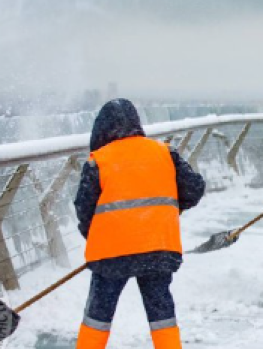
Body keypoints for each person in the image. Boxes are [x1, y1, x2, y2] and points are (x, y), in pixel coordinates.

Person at [75, 99, 205, 349]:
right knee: (162, 313)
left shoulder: (98, 161)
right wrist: (165, 212)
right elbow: (195, 188)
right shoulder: (165, 153)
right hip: (157, 247)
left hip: (111, 253)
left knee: (98, 315)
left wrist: (97, 238)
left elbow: (84, 210)